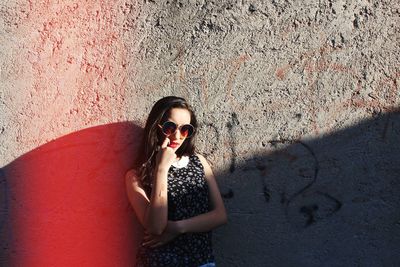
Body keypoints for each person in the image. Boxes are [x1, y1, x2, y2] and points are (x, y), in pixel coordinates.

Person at [125, 96, 228, 267]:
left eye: (185, 129)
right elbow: (156, 227)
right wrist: (161, 168)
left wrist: (178, 228)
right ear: (157, 127)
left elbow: (220, 215)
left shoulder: (199, 162)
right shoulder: (136, 176)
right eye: (170, 127)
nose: (177, 136)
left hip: (201, 261)